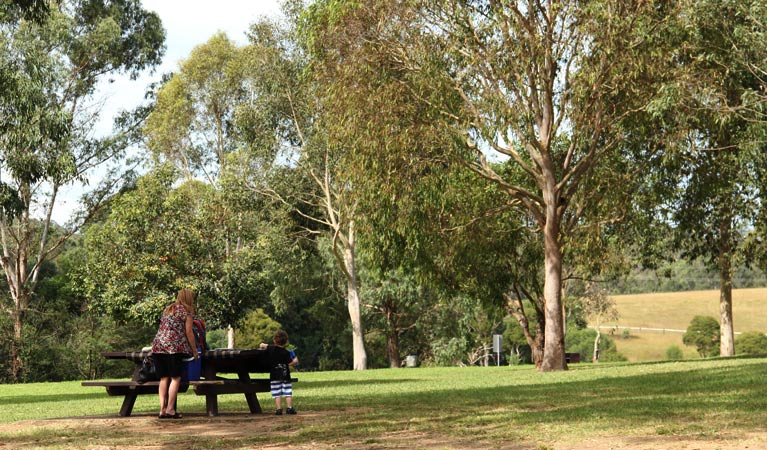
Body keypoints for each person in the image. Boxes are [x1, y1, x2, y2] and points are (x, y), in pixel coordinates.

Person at [151, 288, 199, 419]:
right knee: (176, 377)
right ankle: (170, 409)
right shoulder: (187, 311)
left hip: (158, 346)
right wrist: (194, 351)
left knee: (163, 378)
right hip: (174, 347)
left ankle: (162, 409)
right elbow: (189, 332)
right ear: (189, 299)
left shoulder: (168, 309)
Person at [259, 330, 299, 415]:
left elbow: (263, 345)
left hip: (274, 376)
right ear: (286, 342)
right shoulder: (286, 352)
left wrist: (262, 345)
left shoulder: (271, 349)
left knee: (277, 393)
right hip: (285, 375)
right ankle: (289, 408)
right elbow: (290, 363)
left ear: (274, 340)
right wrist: (294, 361)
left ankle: (279, 409)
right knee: (288, 392)